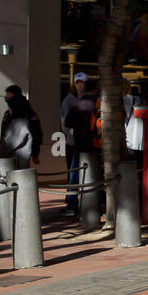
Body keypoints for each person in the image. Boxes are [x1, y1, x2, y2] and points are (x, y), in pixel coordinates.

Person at [59, 74, 88, 214]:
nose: (80, 85)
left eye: (83, 82)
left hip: (83, 141)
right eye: (78, 82)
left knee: (76, 172)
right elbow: (65, 121)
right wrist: (71, 138)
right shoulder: (69, 100)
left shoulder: (87, 99)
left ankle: (73, 202)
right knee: (73, 173)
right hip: (74, 142)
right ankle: (71, 202)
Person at [0, 87, 42, 170]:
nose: (6, 96)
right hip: (14, 157)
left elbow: (36, 133)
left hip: (18, 156)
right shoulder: (9, 114)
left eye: (8, 94)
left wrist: (35, 152)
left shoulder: (23, 116)